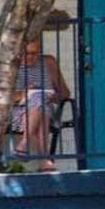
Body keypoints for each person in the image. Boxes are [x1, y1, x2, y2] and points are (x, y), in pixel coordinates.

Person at [11, 17, 74, 168]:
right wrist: (24, 94)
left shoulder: (48, 62)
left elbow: (65, 93)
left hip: (45, 109)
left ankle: (24, 144)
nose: (31, 57)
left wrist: (54, 97)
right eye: (27, 53)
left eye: (35, 53)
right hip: (18, 112)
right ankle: (45, 161)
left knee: (40, 101)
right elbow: (3, 98)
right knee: (39, 104)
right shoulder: (11, 67)